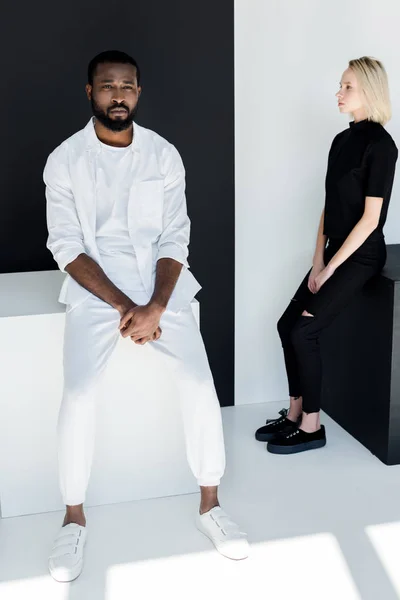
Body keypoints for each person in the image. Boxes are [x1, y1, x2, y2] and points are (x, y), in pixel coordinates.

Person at [44, 50, 248, 582]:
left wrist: (156, 305)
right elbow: (65, 246)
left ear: (138, 92)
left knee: (198, 383)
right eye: (108, 86)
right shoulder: (64, 160)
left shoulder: (163, 154)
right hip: (96, 292)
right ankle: (73, 517)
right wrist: (123, 307)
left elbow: (174, 235)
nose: (118, 95)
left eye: (127, 86)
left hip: (163, 288)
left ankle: (210, 506)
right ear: (90, 93)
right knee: (80, 393)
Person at [255, 56, 398, 454]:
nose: (339, 93)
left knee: (305, 331)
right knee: (287, 325)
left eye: (347, 86)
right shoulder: (341, 141)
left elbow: (371, 220)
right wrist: (318, 260)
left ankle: (313, 427)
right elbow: (329, 207)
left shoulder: (382, 147)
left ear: (369, 90)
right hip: (334, 254)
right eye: (340, 85)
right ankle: (295, 412)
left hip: (361, 257)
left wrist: (333, 267)